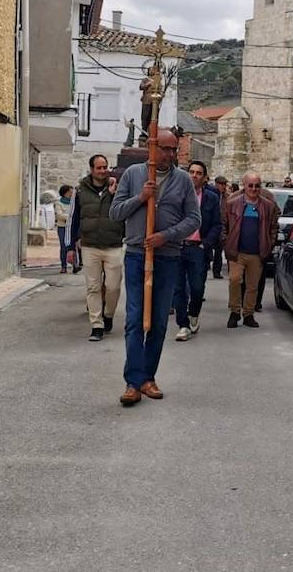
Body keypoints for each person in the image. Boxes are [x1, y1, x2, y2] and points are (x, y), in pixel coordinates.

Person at [110, 129, 201, 405]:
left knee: (159, 321)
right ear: (153, 147)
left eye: (174, 150)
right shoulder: (134, 175)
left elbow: (193, 219)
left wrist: (167, 235)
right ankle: (133, 382)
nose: (171, 155)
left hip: (168, 256)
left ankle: (149, 378)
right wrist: (140, 198)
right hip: (138, 254)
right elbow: (115, 213)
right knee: (135, 319)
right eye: (165, 148)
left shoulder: (183, 180)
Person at [68, 154, 125, 342]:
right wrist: (70, 246)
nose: (103, 171)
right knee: (92, 287)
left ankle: (108, 314)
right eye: (99, 168)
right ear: (92, 169)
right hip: (90, 245)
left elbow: (125, 211)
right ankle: (97, 325)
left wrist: (114, 194)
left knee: (113, 287)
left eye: (105, 167)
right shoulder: (80, 190)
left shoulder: (117, 188)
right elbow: (73, 219)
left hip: (113, 244)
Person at [221, 172, 278, 328]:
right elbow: (224, 225)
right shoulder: (232, 203)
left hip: (257, 254)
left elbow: (274, 228)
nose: (254, 189)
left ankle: (248, 314)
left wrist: (269, 244)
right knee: (234, 280)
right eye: (250, 185)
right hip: (237, 252)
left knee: (252, 286)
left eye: (257, 185)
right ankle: (234, 311)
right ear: (244, 186)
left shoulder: (268, 206)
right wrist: (226, 242)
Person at [174, 160, 221, 341]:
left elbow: (217, 225)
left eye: (198, 173)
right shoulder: (177, 195)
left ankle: (193, 314)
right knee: (177, 289)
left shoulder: (211, 198)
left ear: (204, 177)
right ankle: (183, 324)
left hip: (198, 248)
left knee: (197, 287)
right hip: (178, 246)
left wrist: (205, 244)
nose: (194, 176)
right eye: (191, 172)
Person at [54, 185, 78, 274]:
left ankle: (75, 265)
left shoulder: (74, 202)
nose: (72, 193)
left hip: (73, 227)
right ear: (66, 192)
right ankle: (63, 266)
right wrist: (71, 217)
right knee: (64, 247)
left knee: (74, 246)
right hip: (62, 227)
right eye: (71, 191)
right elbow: (59, 215)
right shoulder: (58, 202)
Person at [210, 176, 230, 279]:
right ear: (216, 184)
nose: (224, 186)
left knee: (219, 250)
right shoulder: (210, 194)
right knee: (208, 248)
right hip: (211, 225)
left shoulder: (227, 197)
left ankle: (216, 271)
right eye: (221, 184)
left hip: (221, 225)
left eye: (225, 184)